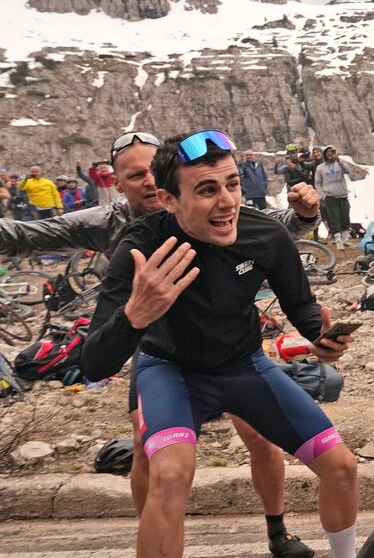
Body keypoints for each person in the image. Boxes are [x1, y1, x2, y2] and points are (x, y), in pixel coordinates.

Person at [0, 131, 324, 558]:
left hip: (230, 342)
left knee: (259, 435)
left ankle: (277, 531)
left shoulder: (202, 198)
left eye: (154, 169)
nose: (150, 182)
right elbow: (31, 233)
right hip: (156, 346)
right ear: (118, 182)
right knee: (145, 446)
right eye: (137, 176)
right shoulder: (109, 222)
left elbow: (266, 231)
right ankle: (154, 530)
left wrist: (304, 217)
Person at [81, 130, 359, 558]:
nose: (227, 201)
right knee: (170, 476)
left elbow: (304, 311)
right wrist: (137, 313)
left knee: (341, 467)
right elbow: (95, 364)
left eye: (232, 184)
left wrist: (322, 339)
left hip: (244, 367)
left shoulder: (263, 234)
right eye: (207, 190)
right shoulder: (140, 248)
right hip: (170, 371)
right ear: (170, 200)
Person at [313, 146, 361, 249]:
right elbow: (317, 183)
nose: (330, 155)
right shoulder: (320, 168)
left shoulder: (339, 164)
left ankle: (345, 240)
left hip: (343, 195)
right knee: (334, 218)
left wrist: (339, 160)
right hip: (330, 196)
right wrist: (323, 196)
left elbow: (349, 171)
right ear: (325, 154)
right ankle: (338, 240)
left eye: (332, 152)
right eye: (328, 153)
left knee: (345, 217)